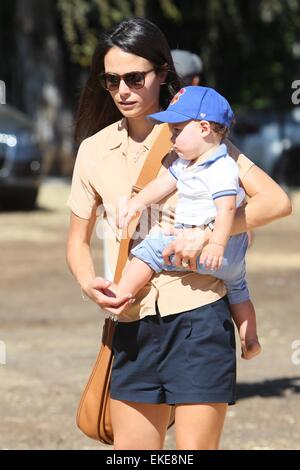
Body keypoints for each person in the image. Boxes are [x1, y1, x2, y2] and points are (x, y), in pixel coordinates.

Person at [66, 17, 292, 450]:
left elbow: (276, 202)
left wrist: (209, 233)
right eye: (111, 81)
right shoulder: (92, 151)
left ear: (163, 73)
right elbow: (77, 242)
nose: (123, 91)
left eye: (135, 78)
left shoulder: (196, 138)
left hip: (200, 319)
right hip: (131, 323)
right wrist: (88, 284)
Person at [113, 85, 260, 360]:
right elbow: (162, 184)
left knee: (152, 249)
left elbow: (227, 206)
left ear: (204, 128)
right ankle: (250, 339)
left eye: (177, 131)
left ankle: (121, 296)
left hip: (215, 248)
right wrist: (136, 203)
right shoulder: (187, 163)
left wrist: (215, 243)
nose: (172, 138)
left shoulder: (221, 166)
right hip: (233, 257)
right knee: (239, 289)